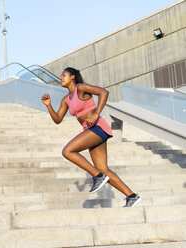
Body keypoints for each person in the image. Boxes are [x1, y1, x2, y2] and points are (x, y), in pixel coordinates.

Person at [41, 67, 141, 207]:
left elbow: (103, 92)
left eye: (64, 75)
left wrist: (95, 114)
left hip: (98, 127)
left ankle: (98, 177)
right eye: (61, 76)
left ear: (73, 77)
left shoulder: (81, 88)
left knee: (67, 151)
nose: (61, 78)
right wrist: (49, 105)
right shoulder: (66, 99)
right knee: (104, 169)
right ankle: (132, 196)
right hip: (90, 131)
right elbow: (57, 119)